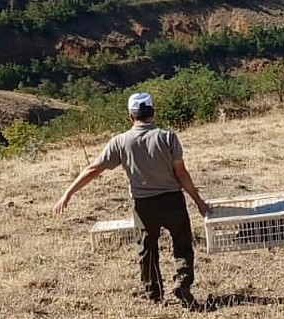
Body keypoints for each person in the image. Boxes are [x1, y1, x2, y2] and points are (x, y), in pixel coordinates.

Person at [53, 92, 209, 307]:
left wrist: (68, 193)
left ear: (130, 116)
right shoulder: (168, 137)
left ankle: (154, 295)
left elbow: (93, 169)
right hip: (173, 201)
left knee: (147, 250)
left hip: (143, 205)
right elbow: (182, 174)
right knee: (182, 245)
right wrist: (199, 201)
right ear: (152, 112)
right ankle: (182, 282)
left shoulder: (120, 141)